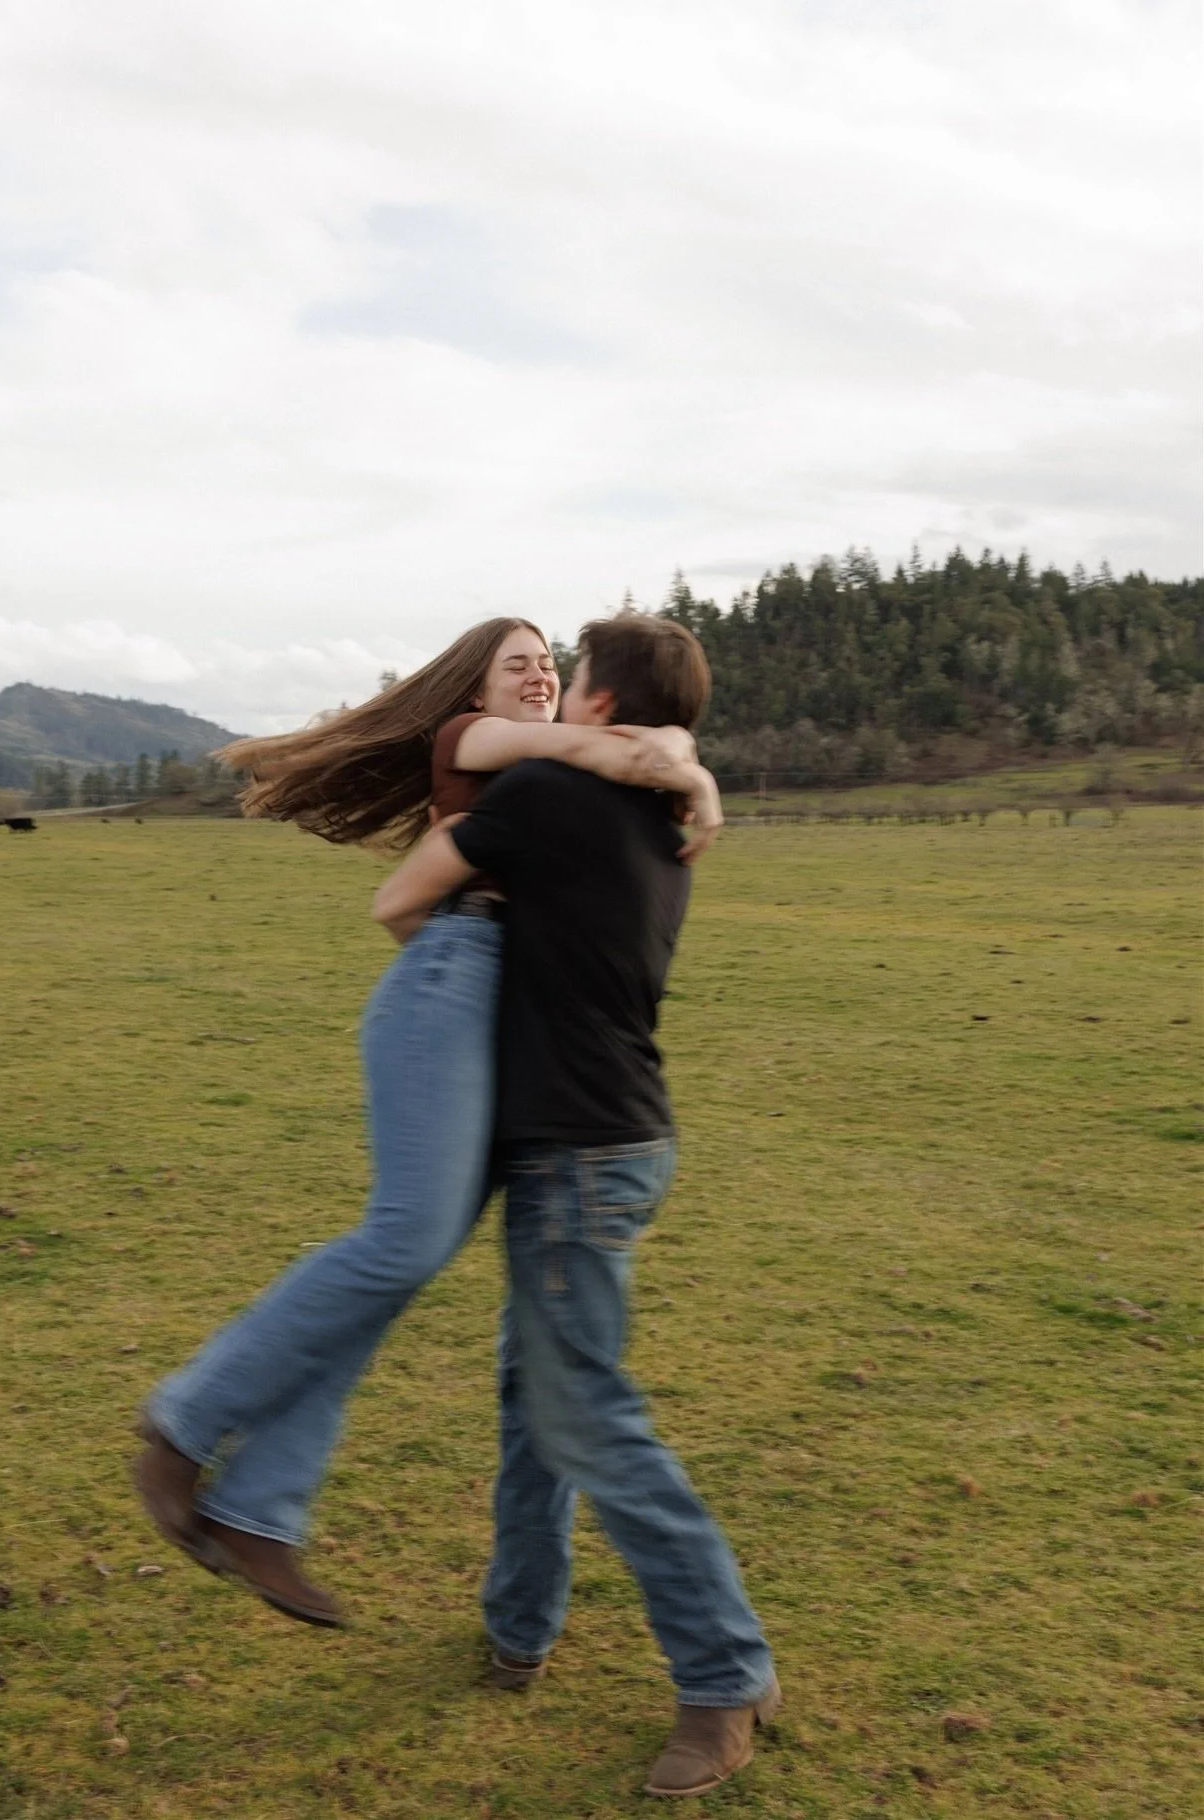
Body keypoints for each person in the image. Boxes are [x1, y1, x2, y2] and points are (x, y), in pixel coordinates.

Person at [132, 616, 722, 1630]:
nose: (538, 679)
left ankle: (259, 1504)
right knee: (401, 1239)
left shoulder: (561, 768)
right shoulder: (473, 736)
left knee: (398, 1267)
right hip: (459, 970)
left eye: (550, 666)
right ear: (475, 682)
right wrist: (670, 763)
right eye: (519, 663)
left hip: (504, 1007)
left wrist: (678, 767)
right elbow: (411, 895)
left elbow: (607, 759)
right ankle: (185, 1424)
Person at [372, 611, 780, 1800]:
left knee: (588, 1415)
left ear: (597, 705)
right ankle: (519, 1625)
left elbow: (402, 902)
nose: (555, 698)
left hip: (575, 1149)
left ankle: (724, 1673)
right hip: (614, 1130)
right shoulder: (662, 816)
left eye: (571, 680)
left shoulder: (549, 795)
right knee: (532, 1394)